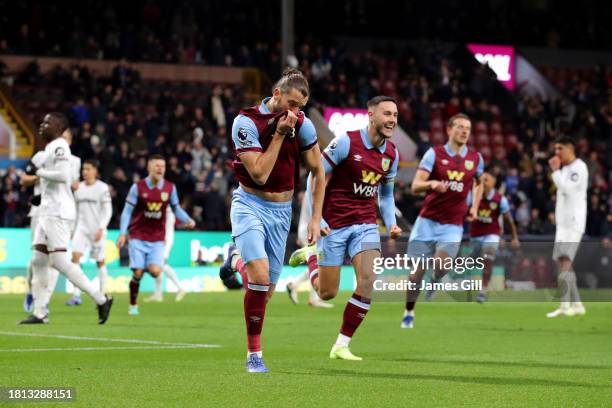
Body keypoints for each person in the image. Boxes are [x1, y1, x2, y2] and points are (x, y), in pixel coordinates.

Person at [226, 68, 325, 373]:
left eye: (301, 107)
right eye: (292, 104)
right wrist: (281, 133)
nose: (296, 112)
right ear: (277, 94)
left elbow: (318, 171)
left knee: (264, 292)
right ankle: (254, 355)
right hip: (249, 204)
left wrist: (315, 216)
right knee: (259, 276)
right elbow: (259, 173)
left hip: (281, 213)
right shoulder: (245, 122)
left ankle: (235, 261)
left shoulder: (303, 125)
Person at [289, 96, 402, 360]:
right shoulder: (346, 142)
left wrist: (392, 222)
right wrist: (318, 219)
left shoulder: (392, 154)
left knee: (368, 281)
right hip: (334, 225)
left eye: (395, 115)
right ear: (371, 115)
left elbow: (385, 196)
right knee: (326, 292)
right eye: (387, 114)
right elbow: (315, 178)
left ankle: (341, 344)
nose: (392, 120)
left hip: (365, 225)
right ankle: (311, 257)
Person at [19, 113, 113, 324]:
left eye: (47, 123)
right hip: (47, 211)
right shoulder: (49, 149)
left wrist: (40, 172)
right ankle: (40, 312)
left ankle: (101, 298)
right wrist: (40, 197)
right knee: (38, 260)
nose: (42, 125)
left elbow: (63, 176)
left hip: (58, 213)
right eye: (41, 121)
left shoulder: (60, 146)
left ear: (59, 127)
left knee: (59, 261)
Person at [402, 113, 484, 328]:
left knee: (442, 265)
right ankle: (409, 312)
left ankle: (436, 280)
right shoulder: (434, 154)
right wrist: (432, 184)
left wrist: (474, 207)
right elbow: (415, 185)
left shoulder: (475, 158)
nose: (465, 131)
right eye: (460, 127)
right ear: (449, 130)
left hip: (453, 224)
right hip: (427, 221)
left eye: (468, 127)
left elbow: (479, 182)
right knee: (416, 273)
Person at [117, 155, 195, 316]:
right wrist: (123, 233)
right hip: (138, 235)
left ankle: (144, 265)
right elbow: (127, 212)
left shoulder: (169, 188)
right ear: (149, 167)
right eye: (157, 165)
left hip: (158, 238)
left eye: (163, 166)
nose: (160, 168)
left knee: (155, 271)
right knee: (137, 272)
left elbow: (176, 208)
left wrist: (187, 219)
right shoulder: (137, 188)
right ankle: (133, 304)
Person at [22, 129, 80, 312]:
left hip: (62, 213)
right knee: (36, 259)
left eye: (65, 138)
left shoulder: (74, 161)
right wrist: (42, 175)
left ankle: (44, 301)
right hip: (39, 212)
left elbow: (74, 184)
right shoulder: (40, 156)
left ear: (69, 142)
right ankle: (32, 291)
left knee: (56, 259)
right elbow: (24, 180)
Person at [546, 136, 588, 317]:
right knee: (563, 264)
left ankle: (564, 307)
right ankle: (577, 305)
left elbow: (567, 190)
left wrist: (555, 171)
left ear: (570, 149)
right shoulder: (566, 169)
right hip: (563, 225)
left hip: (573, 223)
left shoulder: (579, 167)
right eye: (555, 149)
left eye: (560, 149)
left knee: (565, 263)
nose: (557, 153)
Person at [467, 169, 519, 303]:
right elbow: (462, 210)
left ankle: (483, 291)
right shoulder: (472, 196)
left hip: (492, 234)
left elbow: (509, 220)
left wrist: (514, 237)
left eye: (486, 180)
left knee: (487, 260)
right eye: (481, 180)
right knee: (472, 260)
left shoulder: (500, 200)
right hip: (475, 235)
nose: (483, 183)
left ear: (493, 183)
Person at [66, 159, 112, 305]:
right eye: (83, 169)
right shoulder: (78, 188)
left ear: (95, 171)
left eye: (88, 169)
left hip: (97, 229)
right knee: (75, 259)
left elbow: (108, 210)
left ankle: (103, 294)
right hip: (81, 228)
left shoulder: (102, 188)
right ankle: (76, 295)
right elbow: (76, 210)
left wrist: (101, 227)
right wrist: (73, 229)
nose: (84, 172)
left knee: (100, 262)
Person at [285, 187, 333, 308]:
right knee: (319, 261)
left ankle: (298, 287)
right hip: (311, 229)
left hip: (307, 228)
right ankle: (312, 297)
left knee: (317, 263)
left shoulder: (311, 188)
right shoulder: (317, 190)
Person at [145, 207, 187, 302]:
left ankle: (180, 288)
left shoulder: (165, 209)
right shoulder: (168, 208)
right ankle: (158, 294)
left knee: (160, 264)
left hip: (164, 240)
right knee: (158, 265)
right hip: (162, 239)